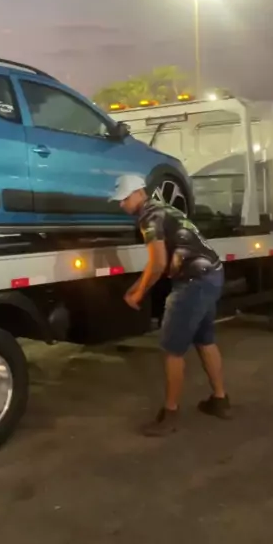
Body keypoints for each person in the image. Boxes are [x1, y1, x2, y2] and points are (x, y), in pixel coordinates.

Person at [109, 174, 231, 436]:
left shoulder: (149, 216)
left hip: (193, 282)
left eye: (124, 198)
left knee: (171, 350)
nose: (121, 204)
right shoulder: (167, 209)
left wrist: (137, 293)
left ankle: (170, 415)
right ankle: (220, 400)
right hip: (212, 273)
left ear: (139, 193)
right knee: (205, 340)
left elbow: (158, 264)